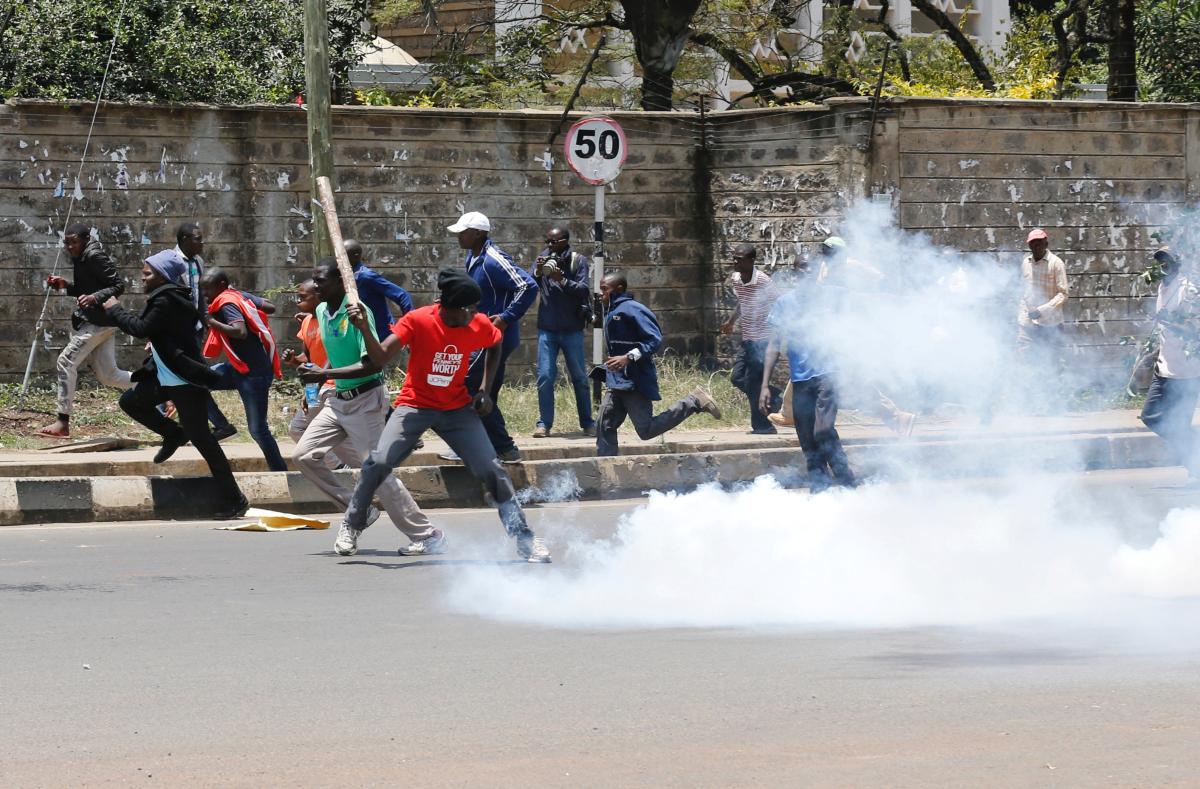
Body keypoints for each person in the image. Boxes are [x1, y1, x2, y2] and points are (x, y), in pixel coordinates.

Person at [338, 268, 551, 563]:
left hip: (456, 409)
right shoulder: (418, 320)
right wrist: (363, 328)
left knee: (493, 472)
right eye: (472, 308)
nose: (477, 313)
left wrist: (485, 390)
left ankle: (524, 540)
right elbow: (380, 358)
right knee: (379, 462)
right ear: (454, 308)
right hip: (415, 404)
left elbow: (495, 342)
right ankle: (353, 522)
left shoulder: (476, 324)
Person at [295, 261, 443, 556]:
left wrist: (325, 375)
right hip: (337, 399)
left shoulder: (359, 314)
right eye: (315, 280)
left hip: (365, 400)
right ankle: (358, 512)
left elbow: (372, 363)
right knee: (304, 455)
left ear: (340, 282)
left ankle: (427, 535)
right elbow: (336, 358)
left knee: (377, 472)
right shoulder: (323, 312)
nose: (316, 286)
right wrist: (321, 373)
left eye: (321, 280)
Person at [103, 250, 248, 518]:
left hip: (184, 381)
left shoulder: (167, 299)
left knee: (204, 440)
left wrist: (115, 310)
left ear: (162, 276)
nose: (142, 277)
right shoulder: (168, 297)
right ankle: (173, 433)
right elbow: (160, 331)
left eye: (147, 273)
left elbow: (140, 327)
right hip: (164, 376)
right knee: (131, 401)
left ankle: (235, 498)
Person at [444, 211, 538, 463]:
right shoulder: (473, 256)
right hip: (480, 335)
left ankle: (485, 446)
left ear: (478, 233)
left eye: (463, 232)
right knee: (486, 392)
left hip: (493, 338)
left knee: (466, 385)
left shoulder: (493, 260)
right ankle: (499, 449)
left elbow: (528, 286)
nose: (458, 237)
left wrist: (506, 317)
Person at [595, 273, 723, 457]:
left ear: (619, 289)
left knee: (646, 430)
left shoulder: (633, 310)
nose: (601, 294)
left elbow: (654, 340)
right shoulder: (612, 311)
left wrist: (628, 357)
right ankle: (605, 469)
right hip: (617, 381)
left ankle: (693, 402)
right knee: (604, 424)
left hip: (634, 380)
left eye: (604, 289)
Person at [759, 274, 857, 493]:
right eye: (799, 271)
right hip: (800, 379)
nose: (804, 276)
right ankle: (820, 488)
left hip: (827, 373)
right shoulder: (785, 304)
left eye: (807, 270)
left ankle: (846, 480)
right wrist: (765, 385)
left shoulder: (831, 296)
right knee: (807, 439)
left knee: (822, 430)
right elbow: (774, 344)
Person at [37, 223, 134, 438]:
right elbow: (85, 289)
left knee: (65, 361)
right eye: (67, 243)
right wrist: (65, 285)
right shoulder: (81, 257)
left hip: (99, 322)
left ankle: (62, 423)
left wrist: (94, 297)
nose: (70, 246)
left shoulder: (94, 256)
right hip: (101, 321)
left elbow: (118, 285)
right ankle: (158, 385)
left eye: (74, 242)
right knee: (110, 376)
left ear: (85, 239)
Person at [199, 268, 287, 471]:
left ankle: (280, 472)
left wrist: (211, 321)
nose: (205, 295)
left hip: (253, 375)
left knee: (258, 430)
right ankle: (223, 427)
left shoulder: (227, 302)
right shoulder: (237, 296)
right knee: (198, 383)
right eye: (202, 290)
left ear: (221, 286)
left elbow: (239, 332)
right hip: (238, 368)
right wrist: (246, 302)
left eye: (208, 289)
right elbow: (271, 307)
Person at [1139, 246, 1200, 481]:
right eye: (1160, 261)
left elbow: (1194, 332)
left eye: (1167, 260)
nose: (1163, 265)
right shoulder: (1161, 287)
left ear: (1177, 263)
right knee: (1150, 416)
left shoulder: (1189, 291)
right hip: (1164, 367)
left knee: (1178, 425)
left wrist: (1169, 323)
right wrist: (1153, 351)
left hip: (1186, 372)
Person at [531, 226, 595, 438]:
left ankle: (587, 423)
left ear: (566, 241)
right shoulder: (544, 257)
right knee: (545, 377)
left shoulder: (578, 261)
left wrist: (562, 280)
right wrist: (537, 272)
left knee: (579, 377)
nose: (550, 246)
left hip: (571, 329)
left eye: (554, 242)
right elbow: (530, 285)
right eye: (547, 241)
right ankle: (544, 424)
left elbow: (584, 290)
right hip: (547, 329)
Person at [175, 221, 236, 440]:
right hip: (177, 330)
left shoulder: (198, 262)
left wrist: (207, 320)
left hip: (194, 330)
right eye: (197, 238)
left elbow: (200, 296)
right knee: (182, 379)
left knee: (189, 380)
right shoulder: (172, 262)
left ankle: (214, 426)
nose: (202, 242)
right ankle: (209, 425)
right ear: (184, 240)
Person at [721, 243, 781, 434]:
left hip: (763, 340)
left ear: (752, 260)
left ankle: (763, 426)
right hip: (747, 338)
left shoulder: (764, 281)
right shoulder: (736, 278)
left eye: (739, 258)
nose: (735, 261)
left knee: (754, 383)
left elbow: (779, 305)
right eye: (734, 257)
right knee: (737, 377)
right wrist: (731, 321)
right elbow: (742, 301)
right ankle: (777, 398)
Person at [282, 279, 341, 470]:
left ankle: (340, 467)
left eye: (302, 298)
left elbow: (337, 353)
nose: (298, 302)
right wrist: (293, 359)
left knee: (313, 429)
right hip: (313, 386)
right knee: (298, 428)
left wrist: (320, 377)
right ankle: (338, 466)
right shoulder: (306, 321)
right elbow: (307, 357)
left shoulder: (332, 320)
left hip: (331, 385)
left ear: (319, 297)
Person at [1018, 228, 1069, 374]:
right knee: (1025, 359)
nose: (1036, 246)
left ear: (1046, 243)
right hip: (1027, 321)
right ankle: (1027, 392)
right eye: (1033, 243)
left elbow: (1063, 294)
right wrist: (1026, 312)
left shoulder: (1056, 263)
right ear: (1029, 246)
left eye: (1040, 242)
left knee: (1050, 362)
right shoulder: (1026, 263)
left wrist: (1041, 311)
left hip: (1050, 323)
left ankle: (1051, 393)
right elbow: (1024, 289)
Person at [344, 239, 414, 334]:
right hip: (361, 336)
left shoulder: (366, 276)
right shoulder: (344, 277)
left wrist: (409, 329)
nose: (338, 258)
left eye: (343, 254)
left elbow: (402, 296)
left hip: (382, 336)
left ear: (355, 256)